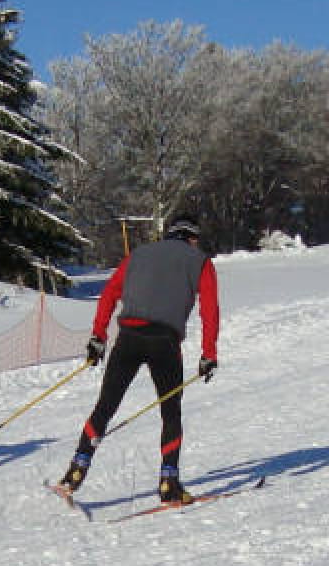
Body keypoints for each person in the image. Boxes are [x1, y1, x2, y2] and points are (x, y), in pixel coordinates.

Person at [57, 215, 219, 504]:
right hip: (165, 343)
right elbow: (210, 310)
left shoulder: (138, 254)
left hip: (129, 337)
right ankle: (169, 482)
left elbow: (109, 294)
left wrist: (98, 336)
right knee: (171, 413)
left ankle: (76, 471)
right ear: (192, 238)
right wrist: (209, 353)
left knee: (105, 406)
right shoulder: (200, 261)